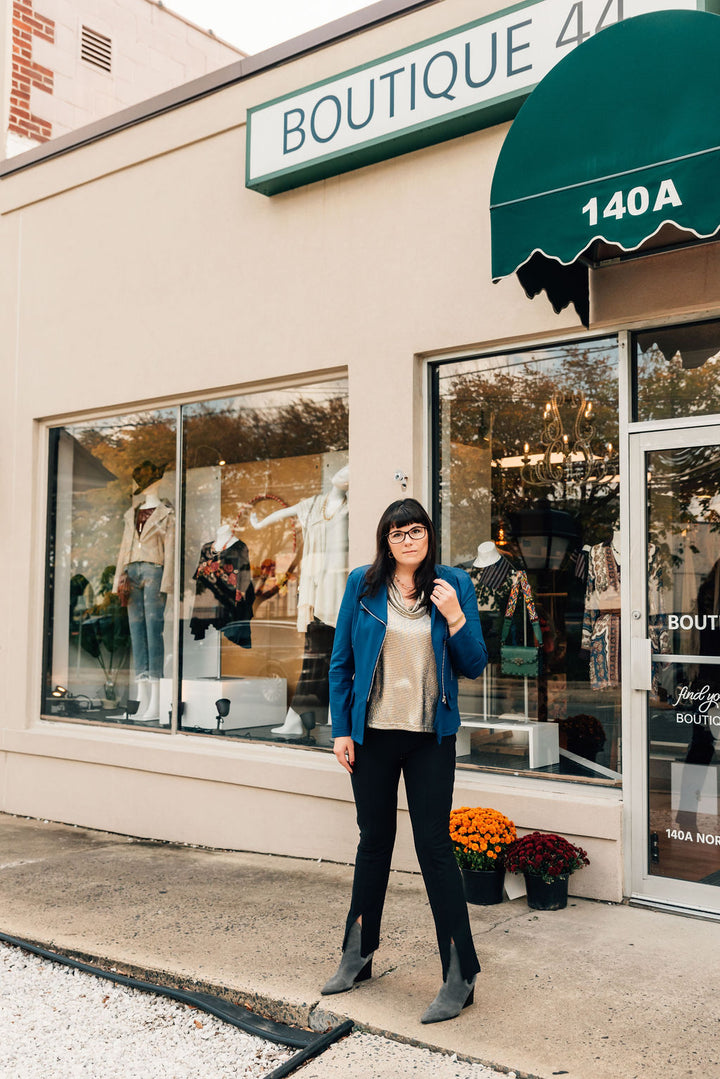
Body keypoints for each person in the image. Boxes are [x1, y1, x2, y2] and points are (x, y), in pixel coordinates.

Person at [322, 498, 488, 1024]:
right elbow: (341, 663)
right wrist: (341, 731)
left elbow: (475, 664)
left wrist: (455, 617)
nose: (407, 540)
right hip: (371, 736)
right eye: (396, 533)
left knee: (435, 848)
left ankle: (460, 976)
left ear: (428, 536)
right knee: (374, 843)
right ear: (385, 540)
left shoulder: (453, 585)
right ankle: (357, 954)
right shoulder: (362, 585)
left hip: (429, 739)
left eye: (415, 531)